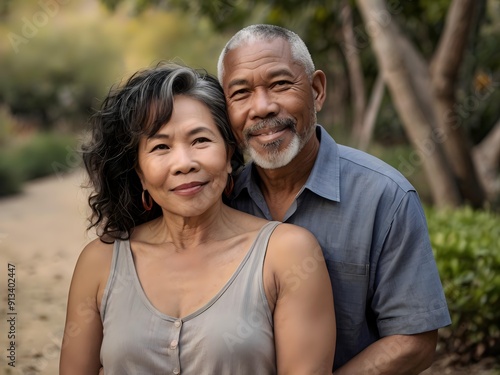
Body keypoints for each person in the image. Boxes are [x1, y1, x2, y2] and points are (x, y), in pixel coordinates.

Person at [59, 63, 336, 374]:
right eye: (160, 146)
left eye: (200, 140)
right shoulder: (100, 262)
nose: (183, 163)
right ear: (139, 172)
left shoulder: (286, 254)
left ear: (229, 154)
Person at [217, 24, 452, 374]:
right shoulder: (220, 199)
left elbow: (413, 341)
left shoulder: (384, 197)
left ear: (316, 91)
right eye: (241, 93)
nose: (262, 107)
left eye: (280, 84)